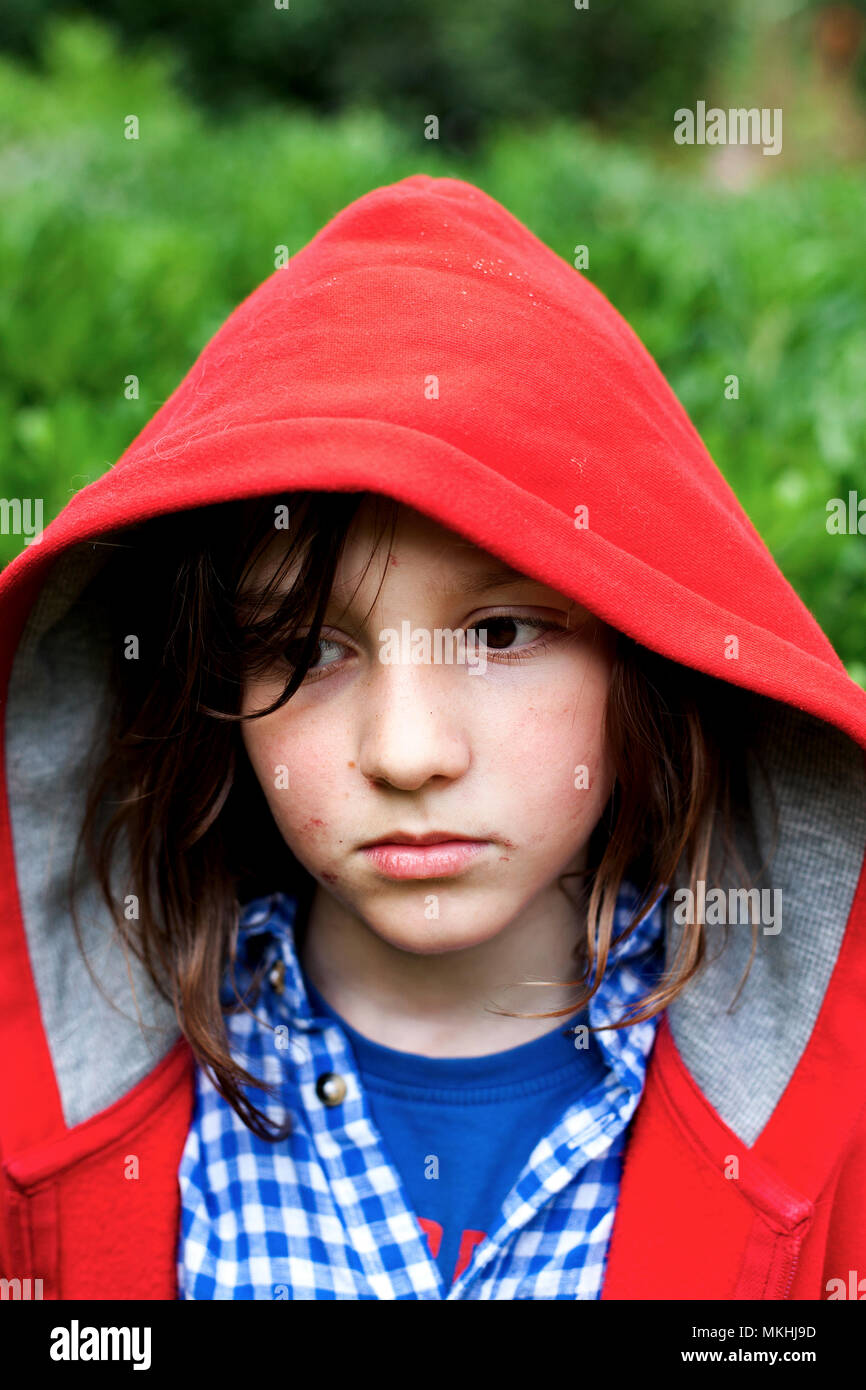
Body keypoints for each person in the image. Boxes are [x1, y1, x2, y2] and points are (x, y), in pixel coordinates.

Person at [0, 174, 864, 1301]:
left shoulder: (833, 1124)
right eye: (306, 651)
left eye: (500, 632)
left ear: (644, 650)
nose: (407, 753)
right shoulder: (44, 1107)